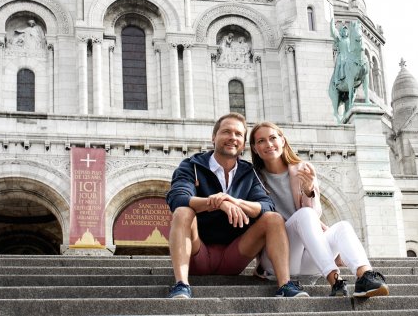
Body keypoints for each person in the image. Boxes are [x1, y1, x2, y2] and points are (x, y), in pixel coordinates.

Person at [165, 113, 309, 299]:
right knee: (183, 212)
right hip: (197, 252)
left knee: (273, 218)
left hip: (234, 256)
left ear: (243, 143)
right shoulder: (191, 166)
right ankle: (181, 285)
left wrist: (234, 201)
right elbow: (177, 198)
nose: (233, 137)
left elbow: (266, 205)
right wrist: (218, 203)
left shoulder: (249, 172)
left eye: (238, 134)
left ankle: (285, 285)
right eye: (226, 132)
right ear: (213, 137)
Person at [250, 121, 389, 298]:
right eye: (261, 141)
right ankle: (335, 280)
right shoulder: (252, 176)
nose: (269, 144)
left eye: (273, 138)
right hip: (276, 259)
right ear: (254, 148)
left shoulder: (303, 169)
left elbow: (313, 216)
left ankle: (365, 276)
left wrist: (309, 191)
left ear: (282, 140)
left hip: (310, 260)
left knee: (342, 227)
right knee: (304, 215)